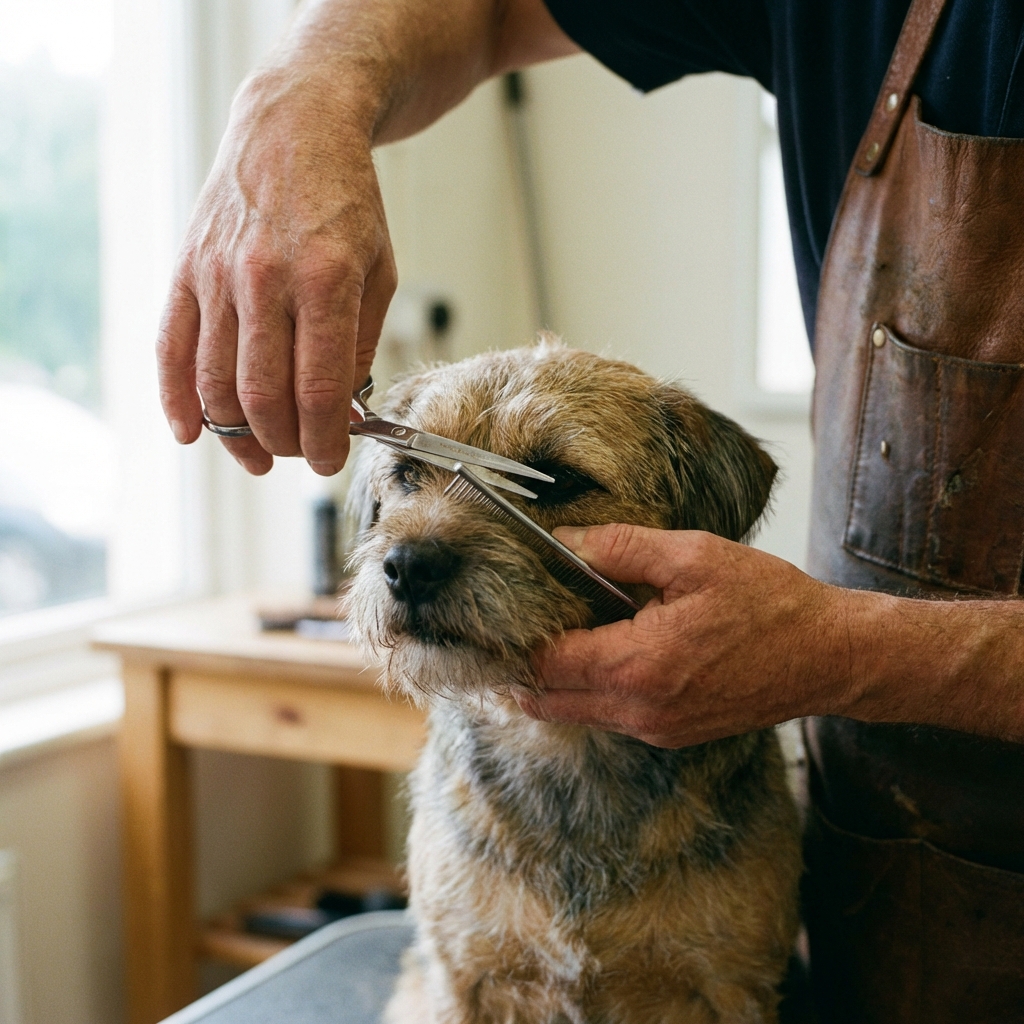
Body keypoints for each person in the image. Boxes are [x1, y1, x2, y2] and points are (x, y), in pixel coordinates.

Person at [157, 0, 1024, 1019]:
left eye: (549, 485)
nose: (415, 544)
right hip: (892, 862)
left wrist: (837, 649)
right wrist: (298, 90)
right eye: (412, 475)